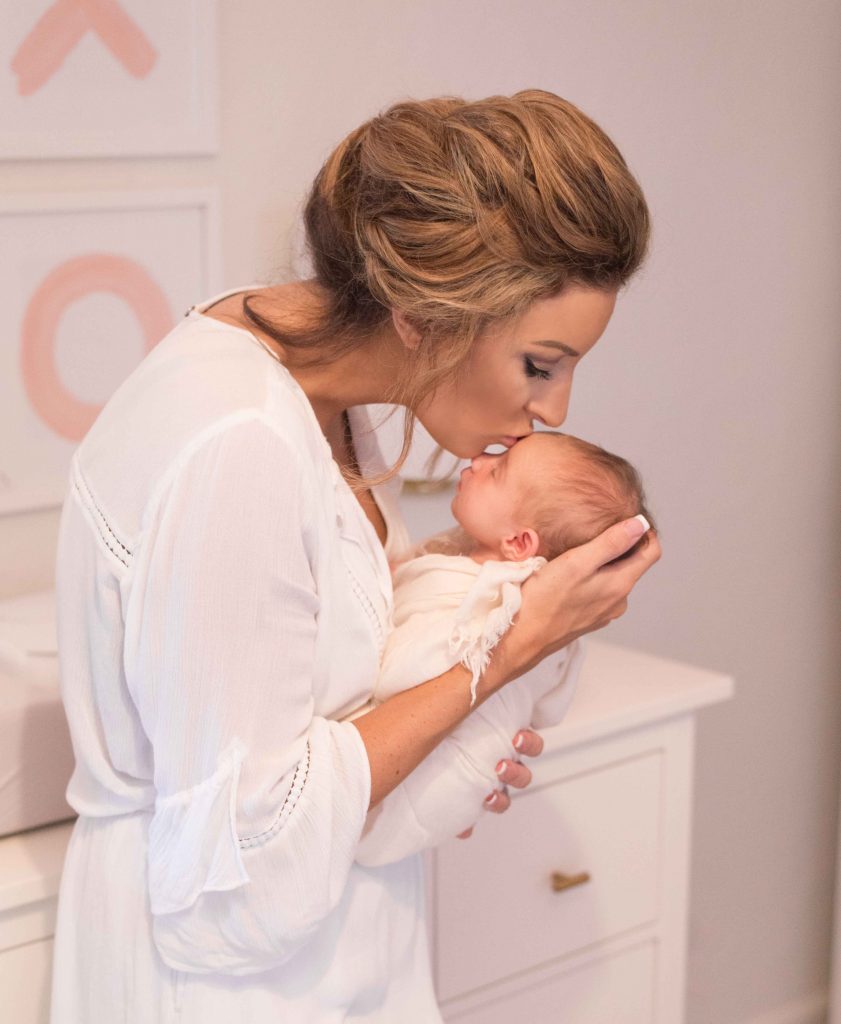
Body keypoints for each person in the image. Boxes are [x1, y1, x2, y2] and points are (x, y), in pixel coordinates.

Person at [50, 90, 660, 1022]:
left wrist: (439, 743)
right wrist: (508, 652)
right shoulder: (237, 443)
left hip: (333, 949)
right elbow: (237, 857)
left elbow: (318, 703)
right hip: (228, 986)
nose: (557, 411)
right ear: (425, 314)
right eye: (540, 364)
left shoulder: (307, 376)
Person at [349, 431, 654, 865]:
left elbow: (394, 671)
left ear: (519, 543)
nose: (479, 458)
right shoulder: (516, 597)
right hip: (415, 784)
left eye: (499, 469)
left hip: (418, 786)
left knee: (364, 837)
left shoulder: (487, 604)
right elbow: (549, 707)